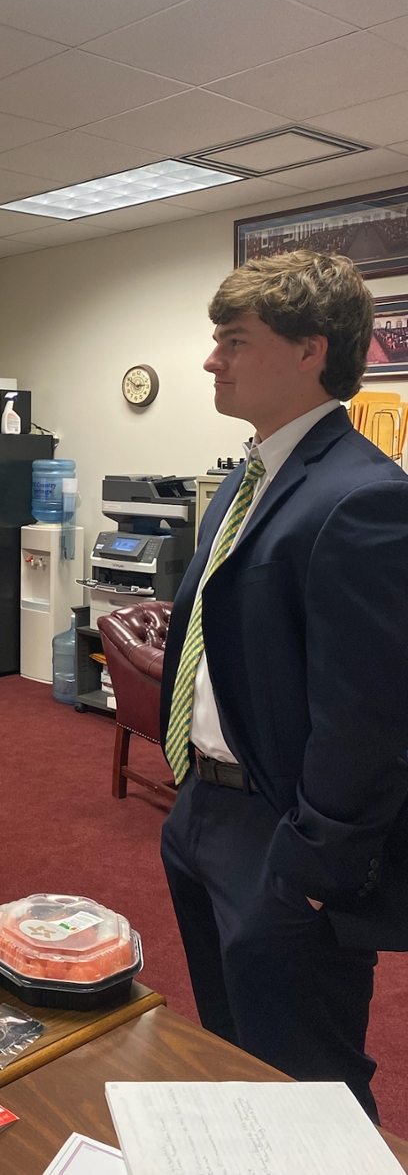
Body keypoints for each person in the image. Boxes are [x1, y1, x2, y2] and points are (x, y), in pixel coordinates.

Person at [159, 249, 408, 1119]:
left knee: (310, 1076)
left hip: (282, 834)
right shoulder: (251, 472)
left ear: (311, 350)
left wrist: (312, 867)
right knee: (236, 1051)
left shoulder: (363, 496)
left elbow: (372, 717)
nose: (210, 359)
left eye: (233, 339)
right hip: (203, 809)